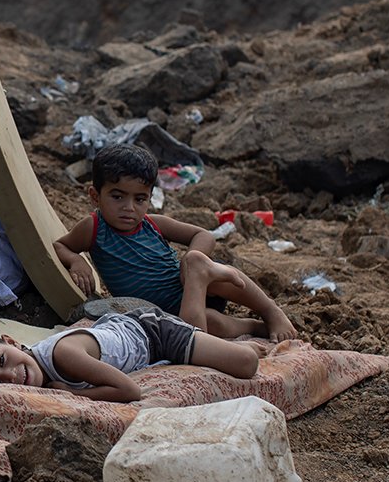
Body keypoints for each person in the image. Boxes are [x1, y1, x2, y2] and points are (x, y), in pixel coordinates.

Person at [53, 144, 297, 342]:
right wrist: (77, 260)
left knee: (206, 270)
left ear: (150, 198)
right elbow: (61, 245)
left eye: (140, 199)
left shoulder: (153, 223)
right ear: (95, 196)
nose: (129, 207)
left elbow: (204, 235)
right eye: (117, 196)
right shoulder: (94, 228)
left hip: (192, 287)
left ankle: (270, 310)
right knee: (211, 324)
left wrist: (191, 262)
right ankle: (253, 327)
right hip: (169, 313)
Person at [0, 297, 261, 402]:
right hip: (126, 338)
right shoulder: (39, 376)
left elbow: (130, 390)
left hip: (153, 334)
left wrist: (75, 394)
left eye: (3, 360)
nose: (10, 375)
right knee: (206, 337)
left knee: (245, 361)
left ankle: (206, 287)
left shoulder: (63, 355)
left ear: (10, 341)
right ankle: (214, 327)